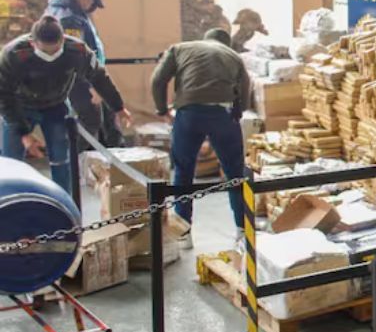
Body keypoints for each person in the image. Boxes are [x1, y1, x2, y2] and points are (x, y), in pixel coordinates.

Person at [0, 16, 130, 192]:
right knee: (12, 161)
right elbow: (3, 95)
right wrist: (23, 133)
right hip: (19, 107)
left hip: (55, 106)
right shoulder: (13, 55)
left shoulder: (77, 51)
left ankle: (65, 202)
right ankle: (9, 203)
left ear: (63, 40)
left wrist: (119, 107)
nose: (50, 56)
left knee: (62, 159)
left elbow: (100, 78)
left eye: (55, 51)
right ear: (33, 43)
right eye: (45, 52)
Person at [151, 28, 249, 247]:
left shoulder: (180, 49)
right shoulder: (233, 56)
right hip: (222, 114)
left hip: (189, 113)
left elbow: (158, 80)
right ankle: (242, 229)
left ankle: (183, 233)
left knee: (183, 172)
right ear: (227, 43)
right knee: (234, 173)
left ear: (205, 39)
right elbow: (245, 88)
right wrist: (237, 113)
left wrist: (162, 111)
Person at [45, 0, 123, 147]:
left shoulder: (65, 11)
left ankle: (99, 160)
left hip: (79, 76)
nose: (92, 7)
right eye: (92, 2)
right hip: (80, 78)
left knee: (103, 119)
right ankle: (79, 164)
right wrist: (91, 86)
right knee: (90, 120)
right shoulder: (70, 18)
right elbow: (75, 54)